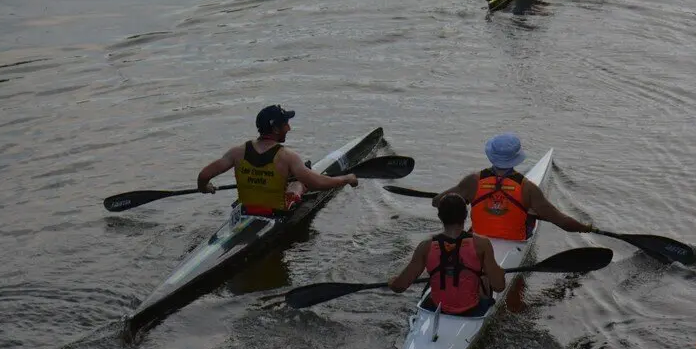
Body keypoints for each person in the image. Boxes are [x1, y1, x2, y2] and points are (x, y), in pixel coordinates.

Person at [196, 104, 358, 216]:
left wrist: (205, 188)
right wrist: (346, 178)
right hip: (275, 214)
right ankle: (294, 180)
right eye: (285, 124)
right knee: (299, 183)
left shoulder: (237, 152)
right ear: (275, 129)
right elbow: (319, 184)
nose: (289, 128)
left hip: (245, 211)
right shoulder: (287, 157)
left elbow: (204, 176)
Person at [431, 133, 593, 241]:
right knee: (529, 213)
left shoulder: (472, 181)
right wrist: (585, 228)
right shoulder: (528, 188)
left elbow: (438, 201)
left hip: (476, 242)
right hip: (513, 244)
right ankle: (527, 213)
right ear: (517, 158)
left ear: (491, 155)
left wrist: (465, 200)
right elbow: (563, 222)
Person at [388, 193, 506, 315]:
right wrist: (499, 273)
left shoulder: (425, 246)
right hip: (472, 309)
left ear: (440, 216)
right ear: (465, 215)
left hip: (437, 308)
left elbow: (399, 287)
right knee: (485, 277)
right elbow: (499, 286)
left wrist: (392, 281)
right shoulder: (482, 244)